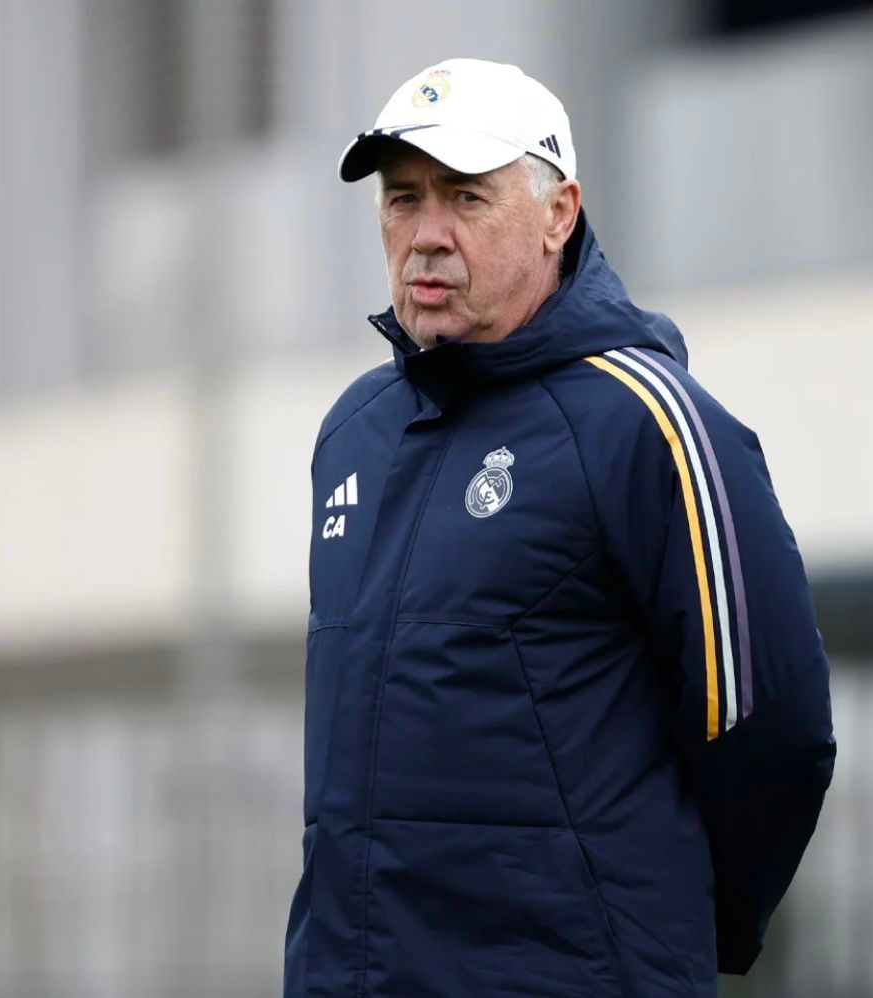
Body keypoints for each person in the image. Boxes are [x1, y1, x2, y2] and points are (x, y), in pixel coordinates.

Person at [285, 58, 836, 998]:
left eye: (465, 197)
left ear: (559, 213)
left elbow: (772, 733)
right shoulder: (353, 434)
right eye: (402, 198)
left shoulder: (651, 422)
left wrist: (665, 934)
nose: (425, 236)